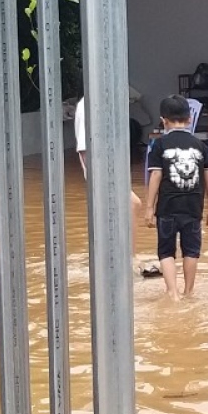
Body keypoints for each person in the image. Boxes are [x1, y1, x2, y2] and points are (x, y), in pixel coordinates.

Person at [73, 95, 161, 278]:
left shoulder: (101, 105)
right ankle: (129, 259)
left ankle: (116, 260)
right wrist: (98, 178)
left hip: (110, 174)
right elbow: (83, 150)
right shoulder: (88, 106)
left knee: (122, 210)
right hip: (102, 176)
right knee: (132, 205)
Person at [143, 95, 208, 300]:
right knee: (191, 250)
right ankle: (188, 292)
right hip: (193, 208)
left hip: (167, 208)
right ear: (190, 120)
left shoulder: (160, 145)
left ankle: (173, 293)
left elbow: (156, 175)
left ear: (163, 120)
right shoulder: (200, 146)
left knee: (166, 251)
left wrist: (149, 208)